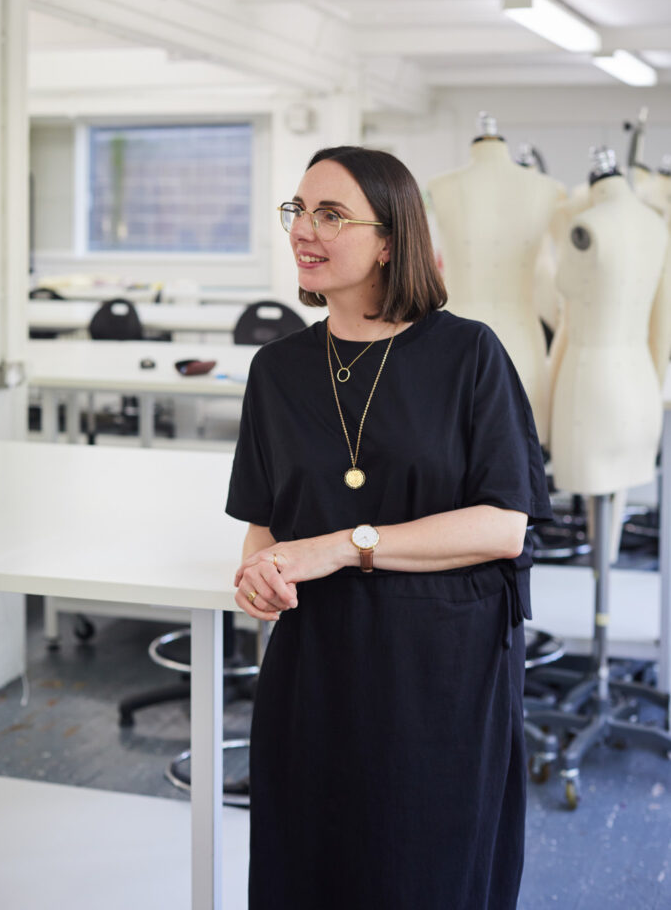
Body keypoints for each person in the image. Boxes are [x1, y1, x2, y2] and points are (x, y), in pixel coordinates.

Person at [226, 146, 553, 910]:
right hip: (316, 663)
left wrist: (347, 544)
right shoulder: (275, 371)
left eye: (331, 214)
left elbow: (504, 526)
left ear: (388, 239)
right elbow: (264, 523)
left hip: (440, 666)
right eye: (297, 210)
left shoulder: (468, 353)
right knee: (310, 861)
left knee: (424, 869)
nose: (304, 229)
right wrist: (261, 572)